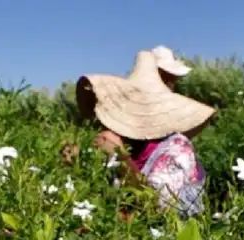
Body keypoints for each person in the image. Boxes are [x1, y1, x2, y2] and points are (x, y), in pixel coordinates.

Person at [76, 50, 215, 217]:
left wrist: (121, 158)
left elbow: (159, 212)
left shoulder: (176, 148)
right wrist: (78, 163)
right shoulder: (129, 144)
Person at [92, 46, 191, 158]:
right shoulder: (125, 119)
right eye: (169, 78)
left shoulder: (173, 139)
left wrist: (123, 158)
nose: (171, 85)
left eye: (173, 80)